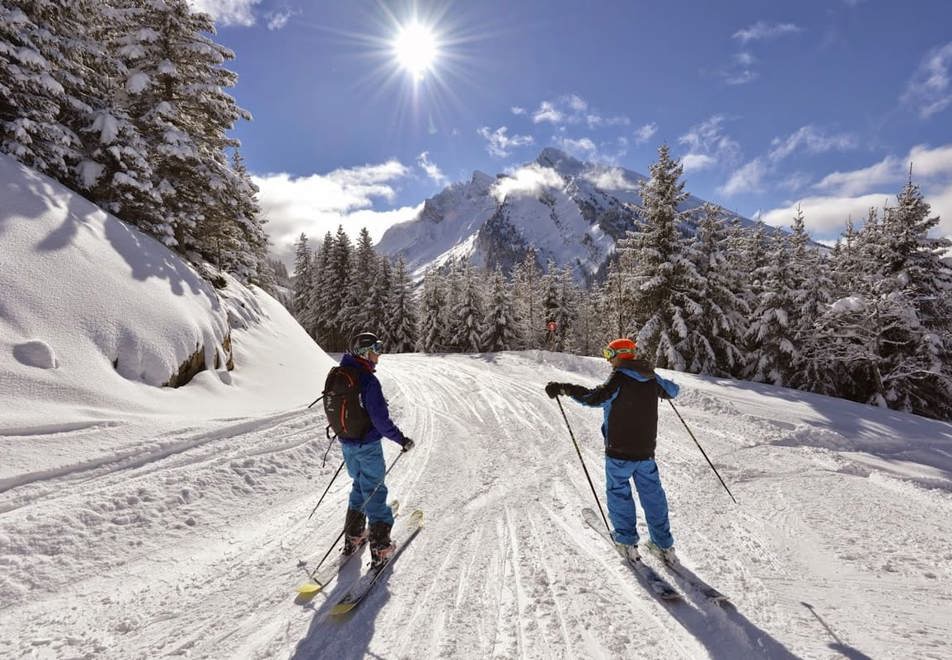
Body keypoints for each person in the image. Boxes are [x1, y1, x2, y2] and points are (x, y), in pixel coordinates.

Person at [545, 338, 679, 564]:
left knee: (619, 493)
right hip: (645, 451)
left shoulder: (619, 377)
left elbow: (594, 398)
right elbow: (672, 391)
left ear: (620, 354)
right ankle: (663, 545)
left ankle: (626, 543)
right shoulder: (649, 376)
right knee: (653, 495)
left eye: (609, 354)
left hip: (619, 452)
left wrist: (565, 388)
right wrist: (655, 381)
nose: (608, 360)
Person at [337, 332, 414, 569]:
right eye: (376, 350)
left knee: (360, 486)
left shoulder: (342, 373)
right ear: (364, 352)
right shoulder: (368, 381)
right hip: (367, 447)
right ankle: (381, 548)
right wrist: (401, 439)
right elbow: (381, 420)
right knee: (375, 492)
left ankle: (354, 536)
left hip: (347, 445)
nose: (379, 355)